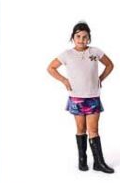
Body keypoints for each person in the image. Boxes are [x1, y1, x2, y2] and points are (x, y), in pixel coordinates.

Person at [47, 19, 116, 173]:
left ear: (89, 38)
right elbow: (51, 68)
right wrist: (64, 80)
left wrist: (101, 78)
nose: (81, 40)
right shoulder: (67, 54)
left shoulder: (95, 52)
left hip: (92, 97)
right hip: (76, 97)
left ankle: (99, 162)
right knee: (80, 129)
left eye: (85, 37)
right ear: (73, 37)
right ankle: (82, 160)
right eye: (78, 36)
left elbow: (110, 65)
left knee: (94, 130)